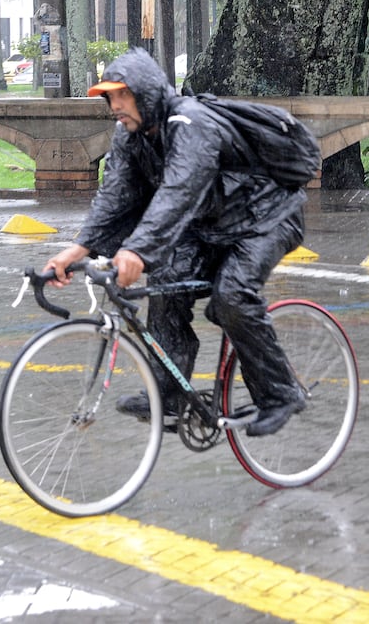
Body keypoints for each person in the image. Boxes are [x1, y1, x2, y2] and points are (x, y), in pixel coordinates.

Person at [43, 48, 309, 437]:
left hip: (268, 217)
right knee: (166, 281)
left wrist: (137, 250)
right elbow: (114, 195)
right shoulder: (131, 135)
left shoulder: (192, 123)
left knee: (232, 297)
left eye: (122, 95)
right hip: (213, 226)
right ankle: (169, 393)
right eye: (109, 97)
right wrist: (77, 249)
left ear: (146, 92)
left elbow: (179, 192)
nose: (115, 105)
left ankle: (282, 393)